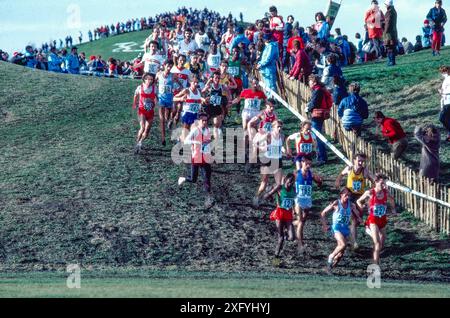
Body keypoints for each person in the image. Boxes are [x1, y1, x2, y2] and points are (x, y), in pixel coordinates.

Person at [335, 153, 374, 250]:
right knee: (353, 219)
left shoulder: (365, 171)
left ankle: (350, 238)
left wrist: (372, 191)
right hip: (349, 196)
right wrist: (338, 181)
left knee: (356, 222)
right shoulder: (349, 169)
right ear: (354, 160)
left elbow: (374, 180)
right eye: (359, 160)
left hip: (360, 198)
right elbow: (341, 174)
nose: (361, 163)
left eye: (362, 161)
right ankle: (354, 242)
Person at [357, 173, 397, 265]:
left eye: (385, 183)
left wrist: (393, 209)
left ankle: (376, 257)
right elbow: (358, 201)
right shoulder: (370, 193)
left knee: (382, 244)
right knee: (377, 244)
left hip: (382, 220)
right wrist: (361, 207)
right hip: (373, 220)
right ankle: (375, 264)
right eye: (382, 183)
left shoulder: (386, 192)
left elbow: (392, 200)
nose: (384, 185)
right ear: (376, 182)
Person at [321, 188, 362, 272]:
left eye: (349, 196)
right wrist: (325, 225)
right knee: (343, 244)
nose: (347, 197)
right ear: (341, 195)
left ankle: (329, 268)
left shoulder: (351, 205)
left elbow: (357, 214)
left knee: (340, 254)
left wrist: (360, 219)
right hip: (336, 227)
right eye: (345, 195)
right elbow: (323, 213)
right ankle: (331, 256)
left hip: (346, 229)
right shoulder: (336, 203)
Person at [178, 113, 214, 208]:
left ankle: (208, 199)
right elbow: (186, 141)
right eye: (203, 120)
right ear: (199, 121)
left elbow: (208, 143)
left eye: (206, 120)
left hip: (205, 158)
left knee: (207, 179)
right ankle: (184, 178)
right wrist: (197, 142)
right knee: (193, 179)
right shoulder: (195, 130)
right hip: (196, 157)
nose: (205, 122)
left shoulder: (208, 130)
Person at [263, 173, 296, 265]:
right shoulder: (280, 188)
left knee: (292, 237)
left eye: (292, 182)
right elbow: (267, 195)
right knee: (280, 238)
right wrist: (269, 196)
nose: (290, 184)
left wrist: (294, 209)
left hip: (288, 213)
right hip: (280, 213)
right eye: (289, 182)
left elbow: (292, 200)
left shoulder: (294, 189)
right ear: (285, 181)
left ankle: (286, 233)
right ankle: (276, 259)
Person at [252, 120, 285, 208]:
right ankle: (257, 197)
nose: (279, 128)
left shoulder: (282, 136)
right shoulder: (268, 135)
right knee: (264, 183)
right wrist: (263, 148)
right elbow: (255, 143)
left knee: (279, 185)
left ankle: (279, 204)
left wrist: (285, 152)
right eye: (278, 126)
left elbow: (280, 147)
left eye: (281, 127)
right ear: (273, 127)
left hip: (277, 160)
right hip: (267, 160)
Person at [294, 155, 323, 253]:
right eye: (307, 164)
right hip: (298, 200)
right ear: (302, 163)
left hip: (308, 200)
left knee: (301, 222)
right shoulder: (296, 174)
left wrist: (319, 182)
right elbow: (286, 183)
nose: (308, 166)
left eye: (310, 164)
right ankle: (300, 245)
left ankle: (289, 225)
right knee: (301, 223)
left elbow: (318, 182)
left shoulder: (311, 174)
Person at [306, 74, 332, 165]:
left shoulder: (317, 91)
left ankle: (322, 158)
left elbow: (314, 103)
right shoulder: (320, 89)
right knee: (317, 135)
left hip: (317, 115)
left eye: (309, 81)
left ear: (314, 82)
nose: (308, 83)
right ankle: (320, 156)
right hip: (320, 114)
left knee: (317, 137)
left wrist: (308, 107)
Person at [173, 75, 205, 142]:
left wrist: (204, 101)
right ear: (190, 82)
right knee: (185, 136)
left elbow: (199, 99)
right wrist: (181, 99)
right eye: (194, 82)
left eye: (197, 82)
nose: (196, 84)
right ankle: (180, 139)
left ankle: (191, 147)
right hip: (187, 114)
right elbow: (174, 98)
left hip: (195, 114)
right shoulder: (187, 90)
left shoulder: (199, 91)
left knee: (194, 133)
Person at [132, 73, 157, 154]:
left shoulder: (155, 88)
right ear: (144, 79)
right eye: (148, 79)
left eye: (151, 80)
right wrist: (135, 103)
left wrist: (155, 103)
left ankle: (140, 142)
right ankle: (137, 143)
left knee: (146, 131)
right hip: (142, 110)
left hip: (150, 111)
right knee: (142, 128)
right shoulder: (140, 87)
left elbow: (157, 97)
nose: (150, 81)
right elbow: (135, 95)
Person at [157, 60, 179, 146]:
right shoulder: (159, 74)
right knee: (162, 119)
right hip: (161, 100)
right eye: (168, 66)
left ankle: (169, 126)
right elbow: (153, 82)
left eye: (171, 66)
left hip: (169, 100)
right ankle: (163, 138)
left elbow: (180, 85)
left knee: (167, 118)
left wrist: (176, 89)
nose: (169, 68)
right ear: (164, 65)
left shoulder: (173, 76)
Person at [202, 71, 229, 140]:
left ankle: (216, 143)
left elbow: (228, 93)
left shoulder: (222, 86)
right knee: (204, 125)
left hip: (217, 108)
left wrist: (228, 100)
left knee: (216, 126)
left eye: (219, 78)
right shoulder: (210, 86)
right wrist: (208, 82)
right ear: (212, 79)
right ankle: (203, 140)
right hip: (208, 108)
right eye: (215, 78)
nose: (217, 80)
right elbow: (202, 92)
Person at [257, 32, 279, 96]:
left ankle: (272, 101)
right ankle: (269, 101)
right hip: (265, 69)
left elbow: (268, 59)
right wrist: (260, 63)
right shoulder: (268, 46)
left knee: (271, 86)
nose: (263, 40)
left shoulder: (271, 46)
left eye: (264, 38)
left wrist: (261, 64)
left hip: (269, 69)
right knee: (267, 86)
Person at [383, 0, 398, 66]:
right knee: (391, 47)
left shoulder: (389, 12)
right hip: (393, 32)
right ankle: (391, 61)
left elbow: (388, 23)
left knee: (389, 47)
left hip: (389, 33)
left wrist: (385, 32)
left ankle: (391, 61)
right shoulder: (393, 11)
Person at [439, 66, 450, 141]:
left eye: (443, 72)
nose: (442, 74)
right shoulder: (446, 79)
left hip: (449, 101)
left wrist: (442, 92)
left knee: (442, 118)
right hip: (446, 101)